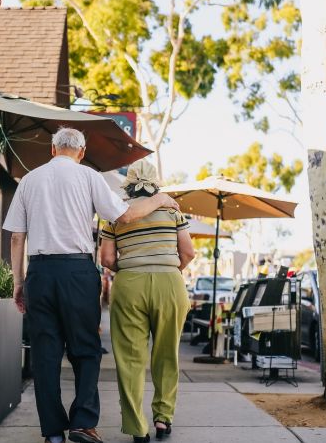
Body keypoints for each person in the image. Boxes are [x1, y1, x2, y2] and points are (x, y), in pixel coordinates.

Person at [4, 127, 180, 443]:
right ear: (82, 152)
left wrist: (19, 282)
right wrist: (161, 199)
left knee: (45, 354)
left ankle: (53, 433)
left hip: (40, 273)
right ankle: (82, 424)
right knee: (86, 349)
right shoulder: (89, 177)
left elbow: (17, 236)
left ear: (52, 149)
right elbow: (125, 216)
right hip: (77, 271)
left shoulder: (29, 180)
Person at [99, 160, 195, 443]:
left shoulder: (116, 214)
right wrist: (166, 269)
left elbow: (106, 259)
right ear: (156, 182)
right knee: (167, 354)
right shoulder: (172, 210)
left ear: (128, 182)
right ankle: (163, 419)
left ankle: (137, 427)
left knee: (130, 359)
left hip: (129, 284)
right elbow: (187, 252)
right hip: (169, 283)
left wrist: (131, 268)